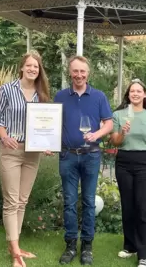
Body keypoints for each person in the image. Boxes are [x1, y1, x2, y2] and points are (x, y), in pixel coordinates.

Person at [53, 55, 113, 265]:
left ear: (88, 73)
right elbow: (52, 124)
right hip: (67, 155)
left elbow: (108, 123)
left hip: (91, 156)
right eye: (75, 71)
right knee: (69, 202)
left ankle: (87, 246)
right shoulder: (60, 96)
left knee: (88, 202)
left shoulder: (99, 96)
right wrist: (47, 144)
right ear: (70, 72)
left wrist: (96, 135)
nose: (79, 75)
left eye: (82, 71)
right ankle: (70, 245)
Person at [0, 52, 51, 267]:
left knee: (22, 200)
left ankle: (13, 245)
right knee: (11, 200)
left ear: (39, 70)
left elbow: (45, 125)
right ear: (22, 68)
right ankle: (16, 252)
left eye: (36, 67)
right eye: (29, 66)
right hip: (11, 149)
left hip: (32, 153)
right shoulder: (7, 89)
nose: (32, 69)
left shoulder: (41, 93)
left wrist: (47, 143)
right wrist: (5, 136)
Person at [109, 79, 146, 267]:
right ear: (128, 94)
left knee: (144, 208)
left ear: (144, 94)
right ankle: (130, 245)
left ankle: (144, 254)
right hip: (124, 162)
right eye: (132, 91)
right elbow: (115, 142)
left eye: (139, 91)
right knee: (128, 206)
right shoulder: (119, 115)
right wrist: (122, 132)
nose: (136, 94)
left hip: (145, 164)